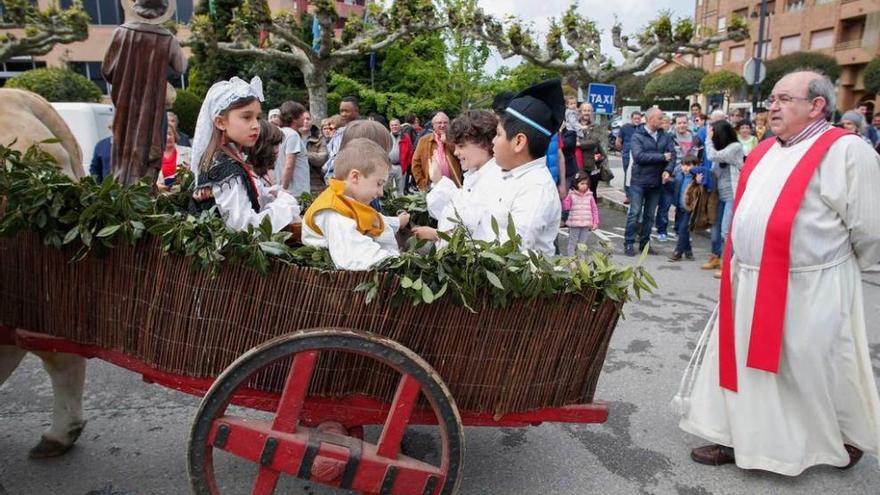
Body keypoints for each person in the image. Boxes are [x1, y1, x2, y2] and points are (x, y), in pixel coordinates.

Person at [679, 69, 880, 476]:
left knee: (809, 364)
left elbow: (869, 227)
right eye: (772, 98)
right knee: (745, 365)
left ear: (816, 105)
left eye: (785, 99)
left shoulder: (847, 151)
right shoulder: (767, 149)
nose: (772, 106)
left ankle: (833, 437)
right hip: (750, 278)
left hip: (812, 282)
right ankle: (741, 438)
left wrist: (835, 267)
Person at [446, 80, 564, 255]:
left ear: (519, 142)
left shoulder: (535, 189)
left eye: (499, 134)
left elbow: (509, 252)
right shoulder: (511, 176)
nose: (493, 141)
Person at [188, 76, 300, 233]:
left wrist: (271, 194)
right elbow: (245, 228)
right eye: (247, 117)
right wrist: (285, 205)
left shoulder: (228, 161)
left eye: (258, 117)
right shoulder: (225, 169)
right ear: (220, 122)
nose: (256, 125)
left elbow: (246, 195)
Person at [101, 0, 186, 186]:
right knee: (149, 160)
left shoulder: (121, 33)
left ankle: (122, 199)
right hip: (153, 112)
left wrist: (128, 77)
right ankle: (143, 199)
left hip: (125, 110)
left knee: (122, 159)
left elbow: (107, 71)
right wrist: (157, 69)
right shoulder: (167, 38)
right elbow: (180, 67)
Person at [302, 138, 409, 270]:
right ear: (355, 177)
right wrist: (397, 262)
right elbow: (356, 255)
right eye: (379, 183)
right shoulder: (333, 210)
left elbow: (372, 220)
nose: (381, 192)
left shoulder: (348, 201)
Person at [412, 109, 501, 245]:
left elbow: (478, 234)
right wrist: (437, 180)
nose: (456, 152)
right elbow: (455, 208)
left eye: (460, 146)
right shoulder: (474, 175)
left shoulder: (494, 180)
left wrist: (437, 235)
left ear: (483, 143)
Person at [623, 107, 676, 257]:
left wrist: (668, 170)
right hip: (639, 181)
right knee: (634, 213)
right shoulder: (637, 136)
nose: (662, 121)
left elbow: (672, 156)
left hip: (656, 181)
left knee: (649, 215)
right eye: (660, 118)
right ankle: (628, 242)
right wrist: (661, 157)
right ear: (651, 119)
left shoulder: (665, 136)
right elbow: (639, 157)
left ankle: (645, 244)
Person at [703, 120, 744, 278]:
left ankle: (729, 266)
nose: (712, 139)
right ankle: (715, 257)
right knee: (715, 227)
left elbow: (712, 155)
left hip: (732, 196)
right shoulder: (721, 148)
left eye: (714, 135)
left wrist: (707, 139)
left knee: (726, 231)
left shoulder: (735, 147)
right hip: (719, 194)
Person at [656, 115, 699, 242]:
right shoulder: (669, 137)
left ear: (688, 123)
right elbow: (665, 157)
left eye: (684, 122)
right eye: (679, 123)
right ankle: (662, 230)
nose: (682, 125)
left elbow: (699, 157)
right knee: (665, 205)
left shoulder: (694, 139)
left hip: (687, 178)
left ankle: (679, 230)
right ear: (675, 124)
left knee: (683, 206)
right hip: (672, 176)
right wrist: (666, 172)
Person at [410, 112, 463, 191]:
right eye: (439, 123)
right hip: (431, 186)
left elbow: (461, 156)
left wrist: (447, 142)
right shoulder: (424, 140)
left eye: (445, 123)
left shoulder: (454, 139)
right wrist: (421, 183)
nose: (442, 125)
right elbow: (415, 163)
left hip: (453, 184)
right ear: (433, 125)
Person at [667, 155, 700, 262]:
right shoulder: (679, 176)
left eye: (689, 165)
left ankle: (678, 252)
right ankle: (688, 251)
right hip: (680, 207)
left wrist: (700, 182)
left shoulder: (697, 178)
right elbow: (674, 186)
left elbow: (704, 190)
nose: (685, 168)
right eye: (683, 165)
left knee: (682, 229)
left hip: (689, 209)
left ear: (696, 166)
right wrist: (667, 180)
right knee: (683, 230)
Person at [274, 101, 310, 197]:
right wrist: (283, 190)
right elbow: (289, 165)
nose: (304, 118)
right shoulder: (293, 135)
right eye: (302, 115)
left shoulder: (279, 133)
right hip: (295, 191)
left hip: (284, 188)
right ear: (294, 118)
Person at [323, 96, 361, 181]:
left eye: (346, 111)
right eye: (341, 111)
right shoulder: (339, 131)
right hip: (334, 176)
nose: (343, 114)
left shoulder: (363, 129)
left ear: (356, 110)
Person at [562, 171, 599, 258]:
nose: (584, 186)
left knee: (582, 244)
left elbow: (594, 209)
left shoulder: (590, 195)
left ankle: (581, 259)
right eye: (582, 183)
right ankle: (571, 259)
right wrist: (566, 198)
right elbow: (566, 207)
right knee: (572, 242)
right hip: (574, 223)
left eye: (586, 184)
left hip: (586, 224)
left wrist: (595, 222)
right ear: (576, 184)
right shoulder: (571, 194)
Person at [574, 102, 606, 198]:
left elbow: (594, 141)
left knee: (591, 193)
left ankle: (593, 213)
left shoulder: (596, 126)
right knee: (575, 193)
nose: (586, 113)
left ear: (592, 112)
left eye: (588, 110)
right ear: (580, 112)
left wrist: (578, 143)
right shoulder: (574, 125)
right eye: (584, 110)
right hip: (576, 164)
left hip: (591, 165)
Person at [616, 111, 642, 202]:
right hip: (627, 154)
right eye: (635, 118)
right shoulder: (625, 128)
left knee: (639, 175)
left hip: (639, 155)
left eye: (639, 118)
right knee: (627, 175)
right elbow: (618, 141)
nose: (637, 120)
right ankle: (628, 195)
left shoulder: (643, 128)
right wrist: (622, 150)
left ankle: (638, 196)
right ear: (631, 119)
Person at [300, 111, 328, 194]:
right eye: (303, 119)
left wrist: (304, 154)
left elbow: (322, 158)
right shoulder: (293, 137)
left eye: (308, 119)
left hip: (315, 183)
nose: (305, 121)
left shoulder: (319, 138)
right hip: (297, 183)